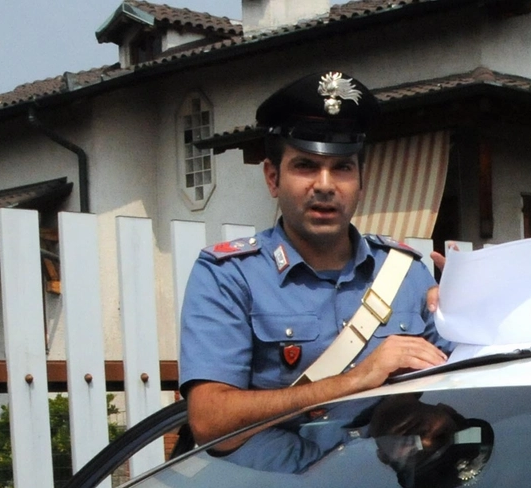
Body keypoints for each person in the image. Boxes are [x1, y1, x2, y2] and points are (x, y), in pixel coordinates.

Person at [179, 71, 448, 451]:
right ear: (273, 178)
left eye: (342, 167)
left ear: (361, 181)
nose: (325, 184)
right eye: (305, 166)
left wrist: (470, 312)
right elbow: (209, 421)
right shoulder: (229, 275)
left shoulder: (408, 275)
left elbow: (466, 388)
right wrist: (354, 380)